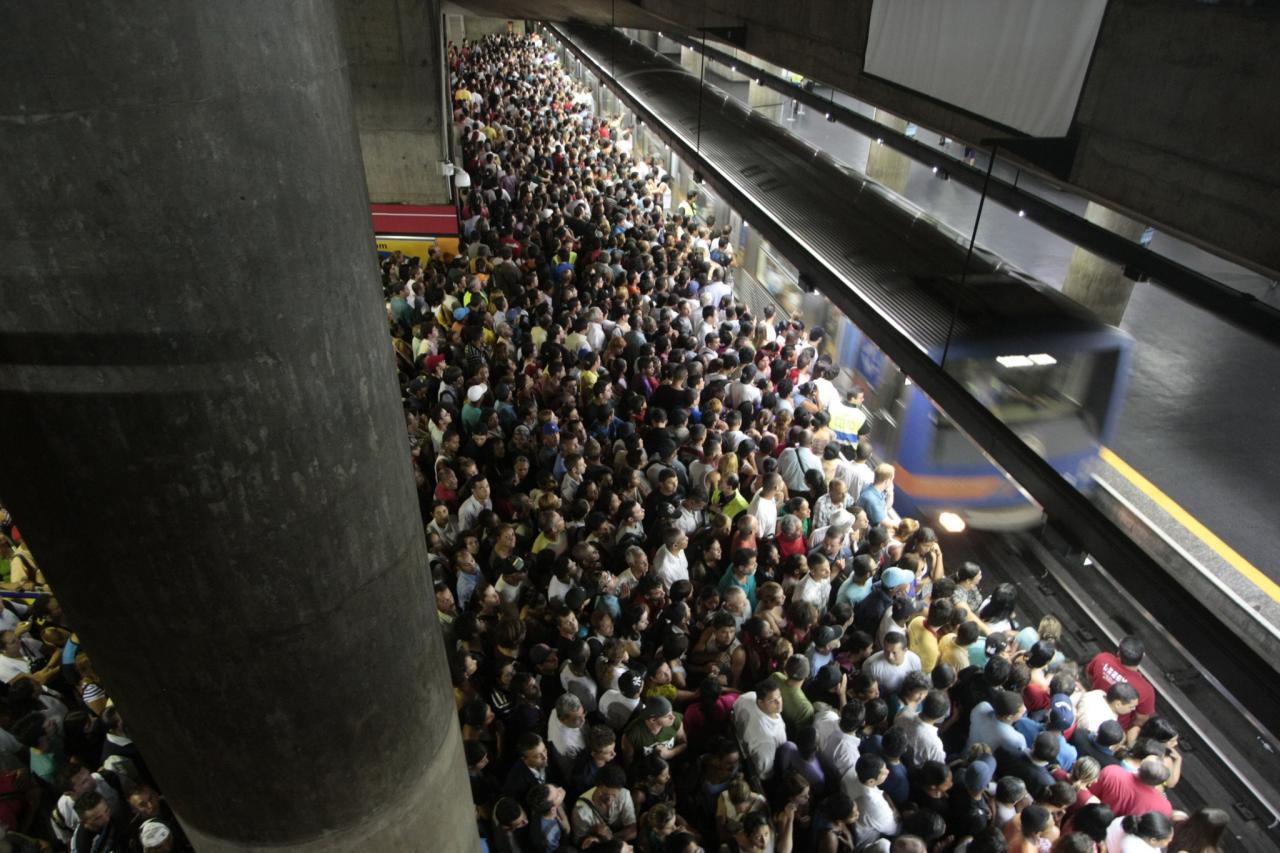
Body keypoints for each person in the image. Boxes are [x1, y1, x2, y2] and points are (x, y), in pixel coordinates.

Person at [733, 680, 789, 780]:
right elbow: (764, 773)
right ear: (760, 702)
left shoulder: (748, 696)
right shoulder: (766, 740)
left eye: (779, 696)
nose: (779, 702)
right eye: (772, 701)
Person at [571, 765, 638, 845]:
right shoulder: (581, 811)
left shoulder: (624, 794)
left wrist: (608, 839)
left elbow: (632, 831)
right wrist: (591, 831)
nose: (610, 800)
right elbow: (578, 842)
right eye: (605, 794)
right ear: (597, 786)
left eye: (614, 796)